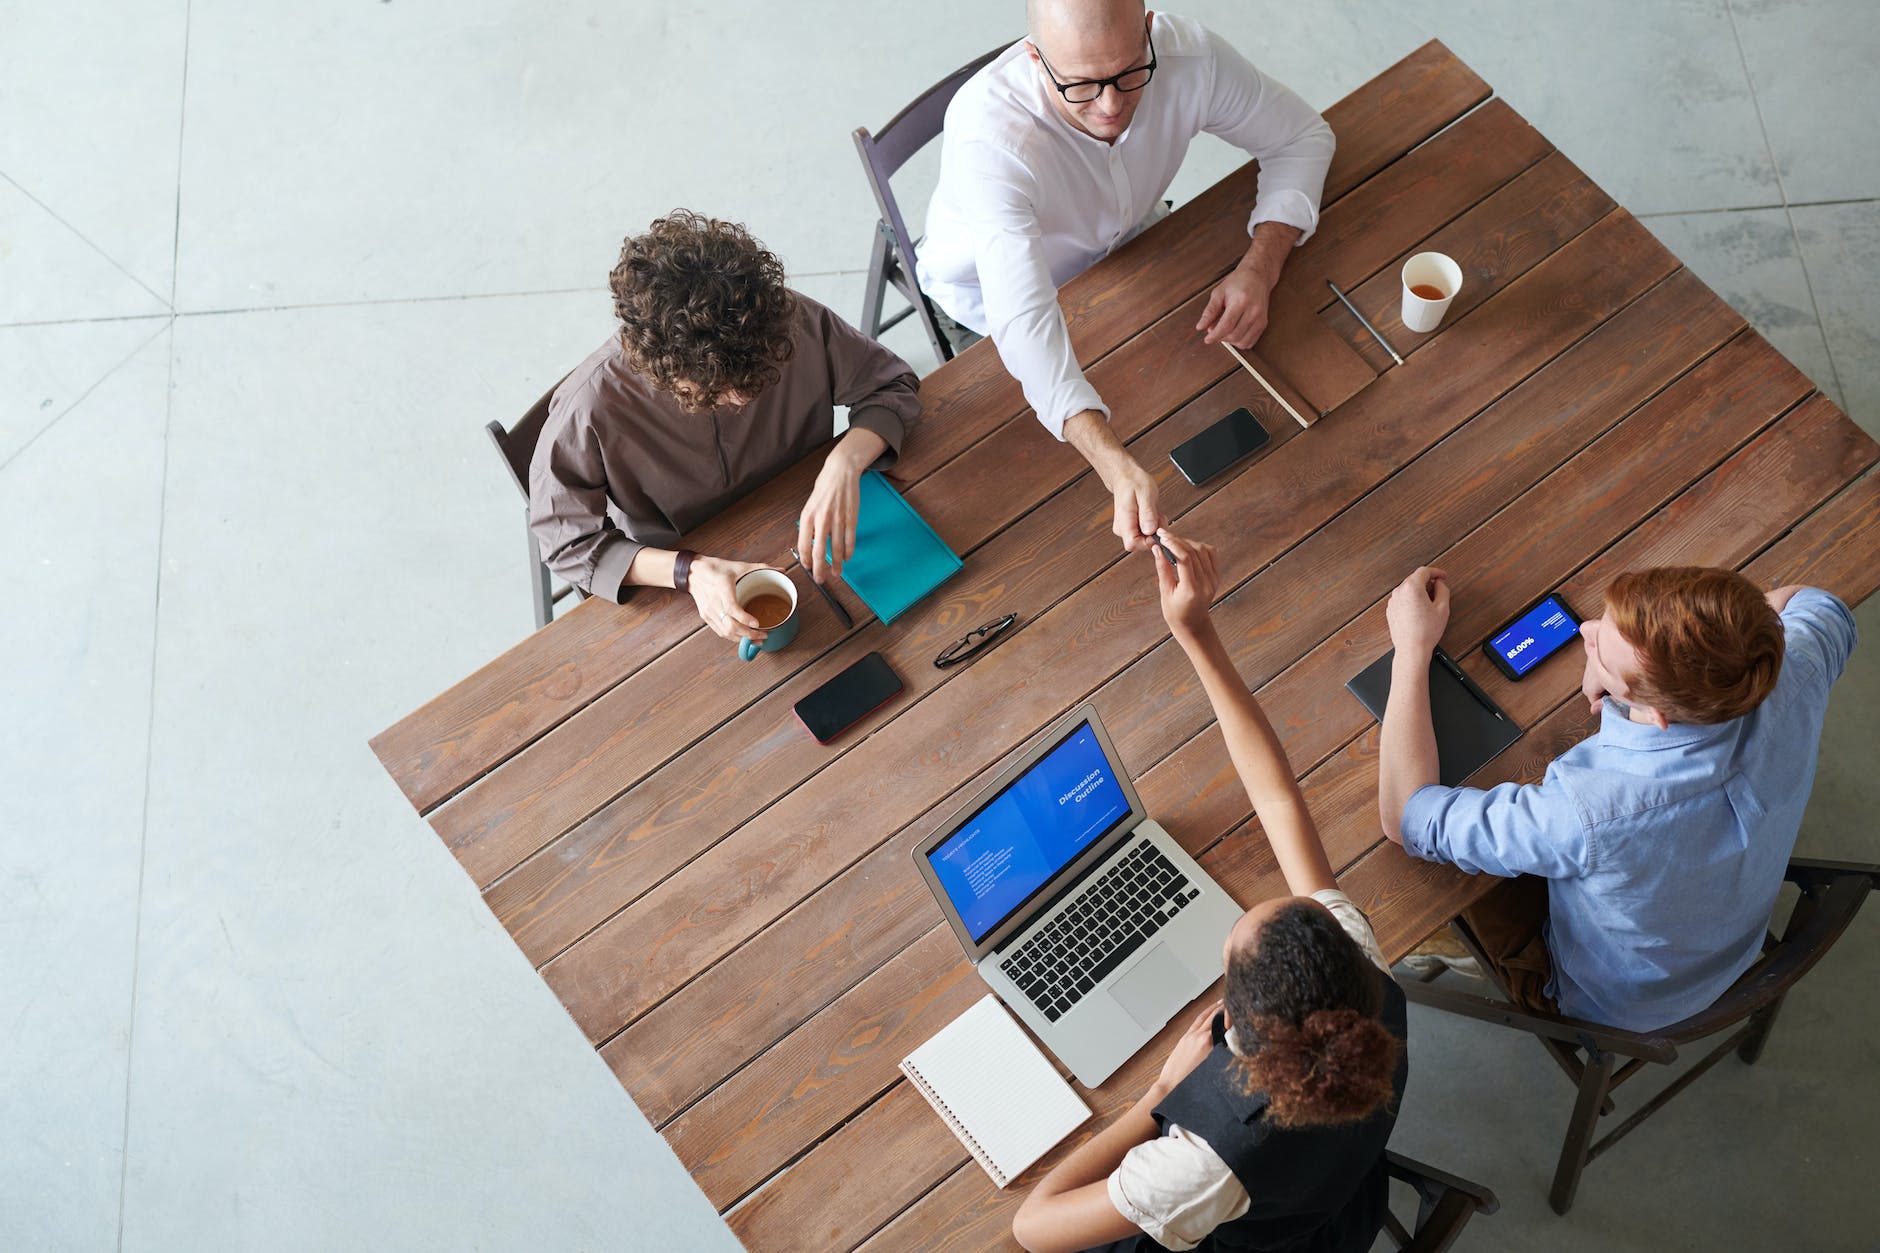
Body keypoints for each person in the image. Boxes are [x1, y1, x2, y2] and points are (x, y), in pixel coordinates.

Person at [1012, 533, 1406, 1253]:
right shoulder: (1370, 989)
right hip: (1340, 1202)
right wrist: (1196, 633)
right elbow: (1280, 799)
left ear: (1238, 1033)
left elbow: (1032, 1227)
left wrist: (1158, 1094)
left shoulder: (1204, 1159)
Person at [918, 1, 1334, 556]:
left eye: (1129, 73)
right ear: (1035, 58)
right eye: (1082, 86)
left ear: (1149, 29)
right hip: (987, 299)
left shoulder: (1189, 55)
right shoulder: (991, 140)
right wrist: (1113, 465)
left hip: (1133, 245)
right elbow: (1025, 319)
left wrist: (1260, 266)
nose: (1112, 106)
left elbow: (1303, 137)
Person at [1377, 565, 1858, 1032]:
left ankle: (1449, 947)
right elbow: (1817, 602)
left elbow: (1405, 816)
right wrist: (1665, 670)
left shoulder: (1586, 812)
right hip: (1732, 944)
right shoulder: (1794, 672)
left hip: (1612, 1005)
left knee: (1430, 883)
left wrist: (1412, 650)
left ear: (1655, 712)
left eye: (1600, 651)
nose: (1585, 629)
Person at [528, 211, 921, 644]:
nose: (741, 398)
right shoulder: (589, 406)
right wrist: (688, 571)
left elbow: (890, 384)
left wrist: (845, 462)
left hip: (818, 536)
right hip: (682, 594)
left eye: (757, 374)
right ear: (661, 367)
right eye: (715, 388)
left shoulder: (788, 321)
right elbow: (565, 542)